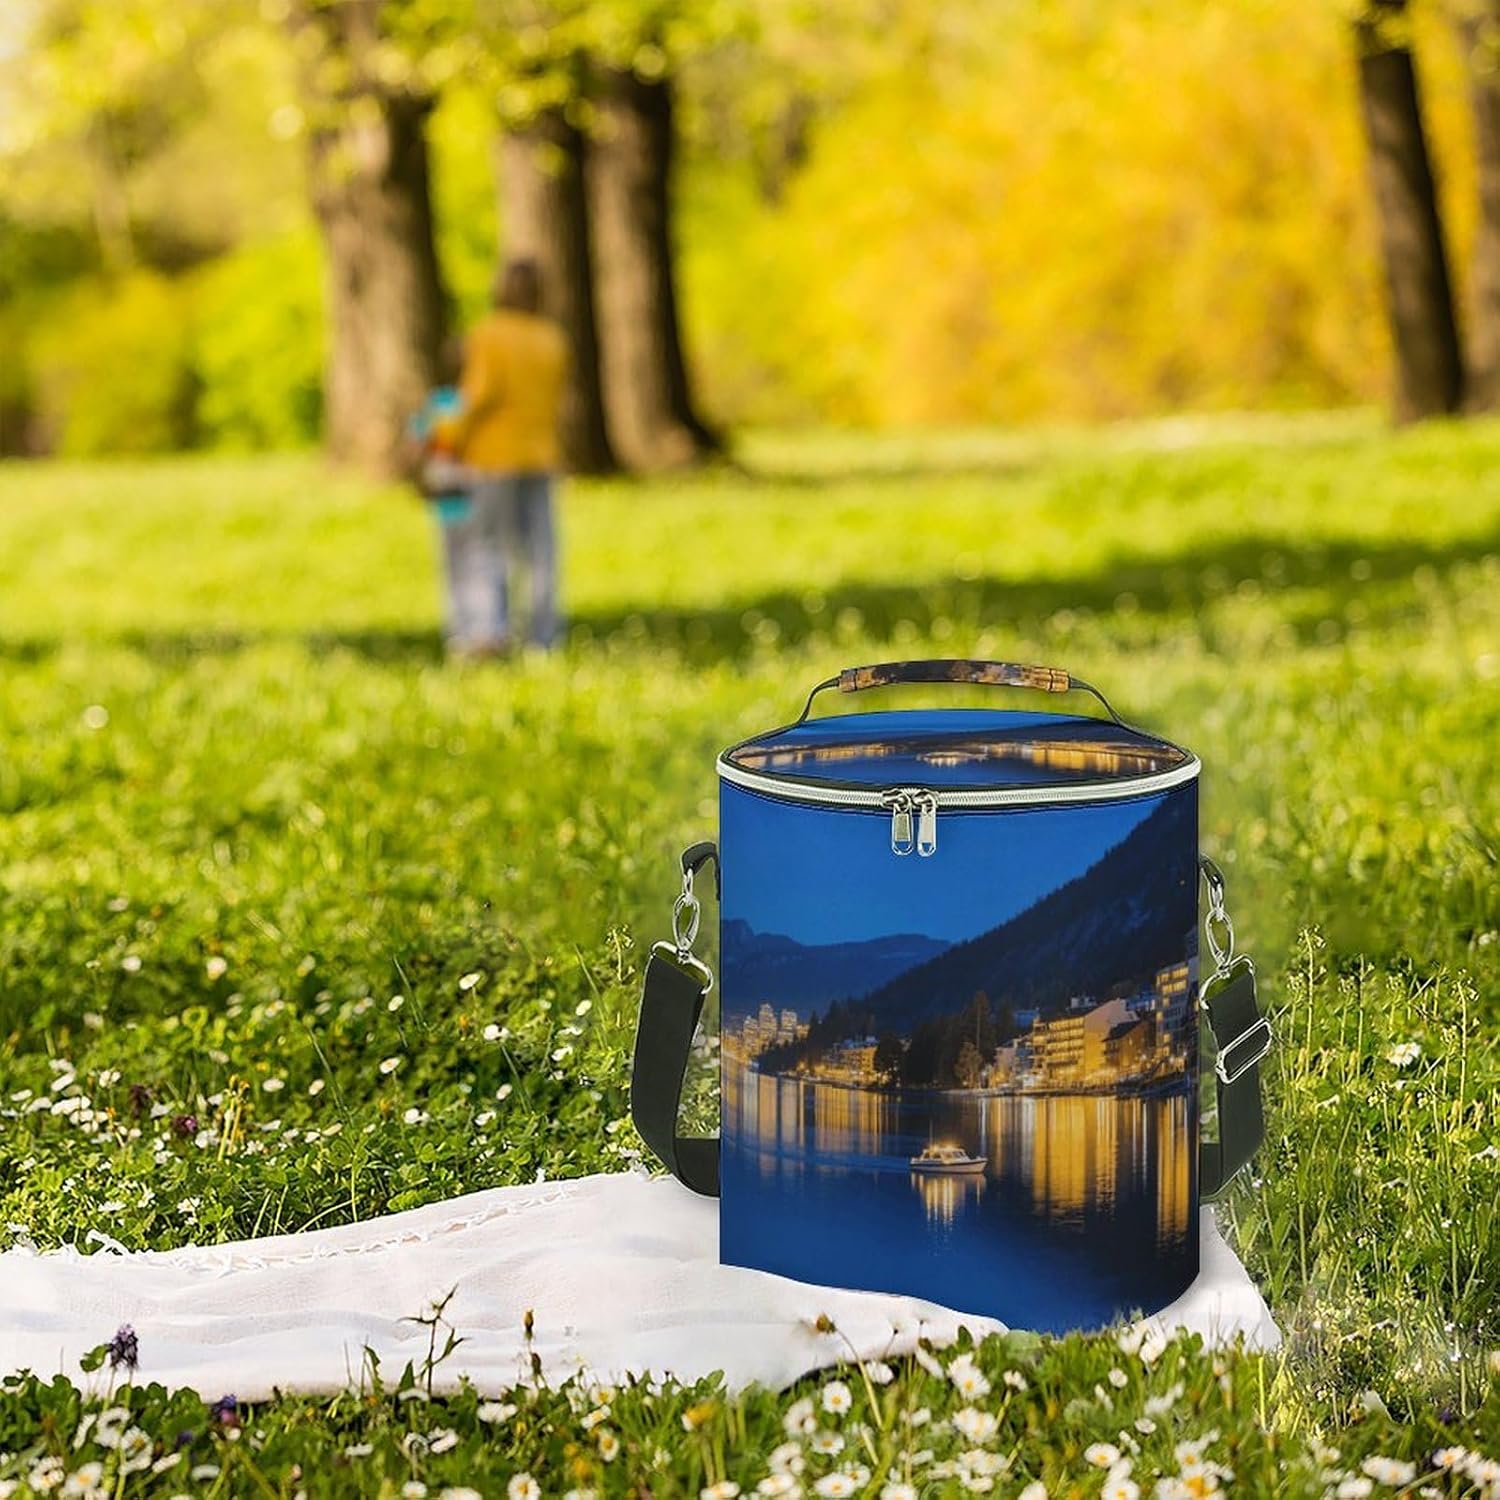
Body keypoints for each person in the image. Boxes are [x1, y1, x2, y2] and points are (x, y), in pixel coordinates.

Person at [452, 258, 569, 652]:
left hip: (493, 456)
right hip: (540, 453)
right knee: (540, 553)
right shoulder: (551, 337)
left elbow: (479, 395)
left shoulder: (489, 335)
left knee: (488, 546)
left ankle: (491, 631)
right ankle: (544, 638)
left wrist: (451, 439)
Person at [408, 337, 493, 656]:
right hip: (477, 490)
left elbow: (416, 445)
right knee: (483, 560)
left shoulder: (434, 405)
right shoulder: (475, 405)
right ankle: (485, 631)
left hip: (444, 493)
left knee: (453, 565)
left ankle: (459, 633)